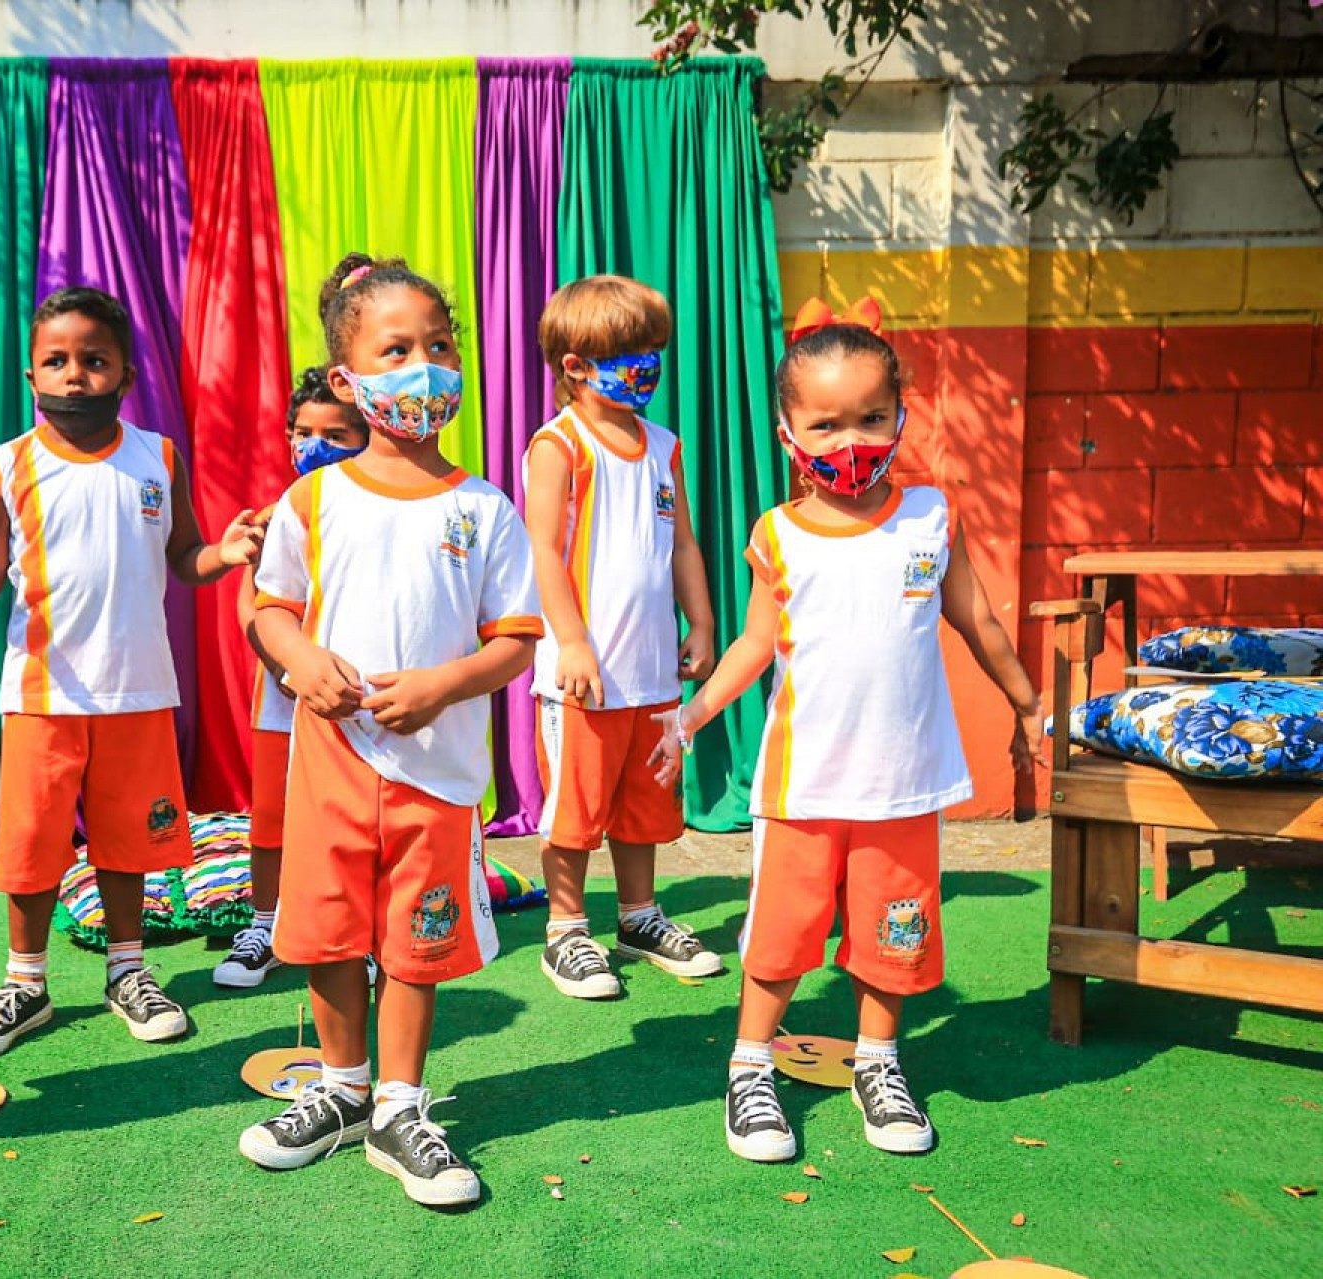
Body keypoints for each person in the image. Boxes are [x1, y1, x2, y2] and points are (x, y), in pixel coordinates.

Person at [652, 296, 1044, 1164]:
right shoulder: (778, 535)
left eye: (871, 417)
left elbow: (977, 619)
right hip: (805, 786)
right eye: (824, 424)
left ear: (901, 414)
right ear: (789, 431)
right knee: (783, 936)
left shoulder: (930, 516)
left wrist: (1026, 705)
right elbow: (756, 643)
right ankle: (751, 1064)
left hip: (904, 785)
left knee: (892, 935)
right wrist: (689, 717)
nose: (849, 440)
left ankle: (879, 1059)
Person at [238, 254, 541, 1208]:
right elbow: (268, 607)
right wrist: (299, 659)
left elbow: (516, 642)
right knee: (329, 934)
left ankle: (401, 1107)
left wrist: (447, 685)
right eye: (397, 349)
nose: (426, 366)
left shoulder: (483, 506)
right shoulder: (312, 499)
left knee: (418, 940)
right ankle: (341, 1088)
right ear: (348, 379)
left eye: (440, 346)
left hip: (438, 775)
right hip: (330, 763)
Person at [0, 286, 263, 1057]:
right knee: (31, 845)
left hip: (137, 691)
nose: (74, 376)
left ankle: (128, 971)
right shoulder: (7, 466)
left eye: (93, 361)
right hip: (41, 695)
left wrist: (222, 555)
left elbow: (184, 557)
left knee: (130, 842)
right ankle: (25, 983)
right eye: (55, 361)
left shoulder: (158, 456)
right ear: (31, 378)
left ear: (125, 374)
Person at [525, 274, 722, 1001]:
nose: (646, 363)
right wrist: (571, 641)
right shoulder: (559, 445)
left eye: (650, 349)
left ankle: (639, 916)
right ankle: (566, 929)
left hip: (651, 674)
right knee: (575, 809)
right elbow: (544, 550)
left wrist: (700, 621)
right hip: (584, 674)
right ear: (575, 366)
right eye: (628, 352)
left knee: (642, 802)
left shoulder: (664, 445)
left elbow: (684, 544)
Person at [216, 366, 369, 989]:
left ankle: (356, 936)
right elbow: (251, 604)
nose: (313, 445)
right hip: (280, 699)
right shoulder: (276, 514)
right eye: (302, 432)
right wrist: (283, 665)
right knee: (272, 817)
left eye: (334, 433)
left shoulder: (377, 509)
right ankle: (265, 923)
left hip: (354, 696)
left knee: (351, 817)